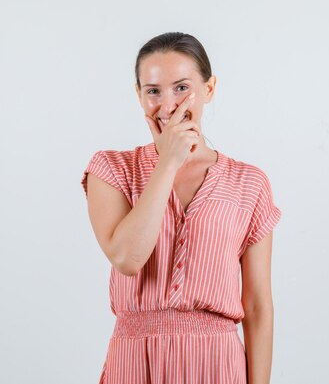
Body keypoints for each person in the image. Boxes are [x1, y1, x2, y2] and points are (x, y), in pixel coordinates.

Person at [80, 32, 282, 384]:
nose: (168, 105)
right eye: (153, 91)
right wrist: (167, 164)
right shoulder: (111, 169)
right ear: (139, 95)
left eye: (182, 87)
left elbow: (257, 307)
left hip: (217, 364)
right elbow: (127, 258)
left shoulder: (248, 183)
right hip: (135, 363)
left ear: (209, 88)